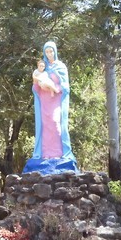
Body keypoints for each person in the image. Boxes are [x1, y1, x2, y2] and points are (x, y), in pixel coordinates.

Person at [23, 41, 79, 174]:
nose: (49, 54)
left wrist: (55, 87)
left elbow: (65, 87)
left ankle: (59, 153)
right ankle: (46, 154)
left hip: (56, 100)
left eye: (51, 51)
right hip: (44, 101)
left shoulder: (61, 67)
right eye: (46, 52)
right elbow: (35, 87)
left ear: (55, 51)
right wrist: (37, 83)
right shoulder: (43, 67)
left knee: (56, 124)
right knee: (45, 126)